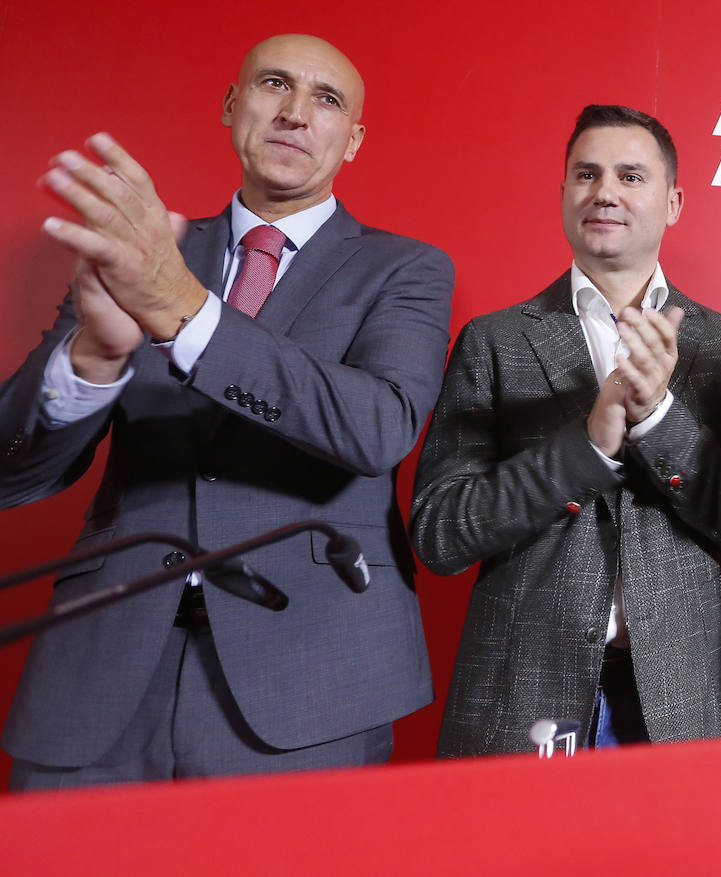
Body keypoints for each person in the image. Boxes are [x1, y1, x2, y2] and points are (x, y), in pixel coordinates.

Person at [0, 34, 453, 787]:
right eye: (274, 84)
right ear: (232, 105)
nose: (296, 114)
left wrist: (183, 310)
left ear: (353, 140)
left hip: (310, 682)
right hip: (99, 675)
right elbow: (11, 474)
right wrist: (96, 359)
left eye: (327, 100)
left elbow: (377, 428)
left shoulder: (404, 267)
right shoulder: (148, 250)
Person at [410, 104, 721, 755]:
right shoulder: (494, 342)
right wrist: (589, 444)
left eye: (631, 175)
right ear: (563, 195)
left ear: (673, 202)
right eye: (587, 174)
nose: (604, 192)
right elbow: (440, 534)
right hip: (521, 696)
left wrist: (659, 416)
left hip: (686, 701)